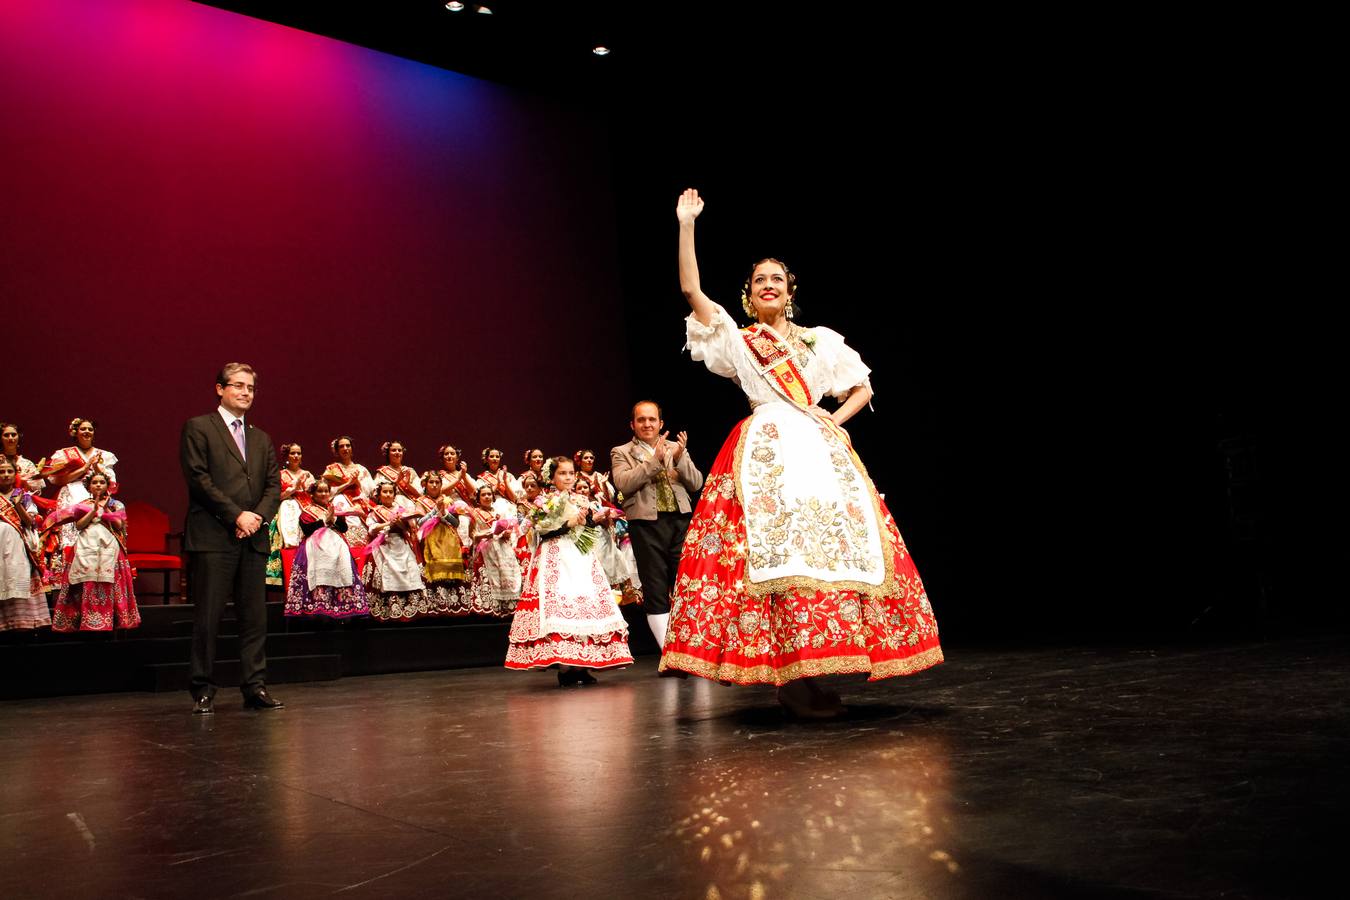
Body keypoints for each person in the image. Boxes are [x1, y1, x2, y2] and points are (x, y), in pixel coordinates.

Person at [658, 188, 942, 718]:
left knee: (827, 551)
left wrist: (832, 420)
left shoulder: (820, 341)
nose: (769, 286)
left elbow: (863, 387)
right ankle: (788, 678)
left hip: (819, 452)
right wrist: (686, 224)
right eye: (759, 280)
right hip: (767, 453)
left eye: (777, 280)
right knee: (776, 554)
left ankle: (813, 670)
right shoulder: (739, 341)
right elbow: (691, 287)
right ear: (749, 296)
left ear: (790, 292)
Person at [180, 363, 283, 714]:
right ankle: (203, 688)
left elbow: (273, 486)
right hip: (213, 536)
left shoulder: (261, 438)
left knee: (254, 619)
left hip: (252, 538)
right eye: (238, 386)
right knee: (208, 617)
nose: (245, 392)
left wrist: (255, 518)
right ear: (219, 388)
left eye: (251, 388)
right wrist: (236, 515)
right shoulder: (198, 427)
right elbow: (199, 479)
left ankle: (255, 686)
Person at [506, 456, 633, 683]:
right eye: (562, 473)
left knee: (583, 604)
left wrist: (594, 519)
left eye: (571, 473)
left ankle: (581, 665)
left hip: (581, 557)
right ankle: (565, 667)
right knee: (559, 606)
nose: (568, 477)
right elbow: (543, 531)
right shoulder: (543, 502)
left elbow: (588, 529)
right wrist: (568, 524)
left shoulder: (582, 500)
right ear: (552, 477)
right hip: (555, 556)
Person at [611, 401, 703, 650]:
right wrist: (655, 461)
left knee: (688, 585)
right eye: (641, 420)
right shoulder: (622, 452)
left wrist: (680, 457)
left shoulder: (675, 447)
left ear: (661, 423)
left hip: (680, 522)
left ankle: (695, 648)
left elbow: (696, 483)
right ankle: (668, 652)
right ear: (633, 424)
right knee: (655, 587)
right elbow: (624, 483)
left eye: (652, 419)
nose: (647, 424)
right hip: (646, 525)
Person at [49, 472, 140, 631]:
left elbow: (119, 525)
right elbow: (79, 526)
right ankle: (85, 618)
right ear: (89, 486)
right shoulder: (83, 504)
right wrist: (92, 511)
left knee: (110, 582)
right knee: (87, 582)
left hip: (110, 546)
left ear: (107, 485)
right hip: (87, 545)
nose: (98, 485)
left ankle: (112, 619)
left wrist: (105, 510)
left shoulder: (116, 504)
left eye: (102, 482)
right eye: (95, 483)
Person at [40, 417, 117, 583]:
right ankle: (67, 579)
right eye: (83, 429)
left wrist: (95, 468)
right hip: (71, 496)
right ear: (75, 432)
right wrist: (84, 468)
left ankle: (95, 577)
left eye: (90, 429)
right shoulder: (64, 454)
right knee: (70, 536)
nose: (87, 432)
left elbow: (111, 484)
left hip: (96, 497)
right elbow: (57, 480)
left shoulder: (104, 455)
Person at [284, 479, 368, 618]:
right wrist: (324, 521)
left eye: (326, 491)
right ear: (313, 494)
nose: (324, 494)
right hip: (315, 549)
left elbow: (343, 528)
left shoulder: (334, 509)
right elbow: (307, 529)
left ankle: (341, 610)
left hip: (337, 548)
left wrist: (335, 518)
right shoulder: (307, 511)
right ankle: (318, 611)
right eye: (320, 491)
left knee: (342, 572)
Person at [362, 480, 429, 620]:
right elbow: (372, 528)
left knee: (409, 572)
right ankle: (388, 609)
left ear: (394, 494)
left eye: (390, 492)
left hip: (401, 544)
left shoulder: (401, 510)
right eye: (384, 492)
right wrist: (388, 523)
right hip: (384, 545)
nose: (387, 494)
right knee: (387, 574)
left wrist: (402, 523)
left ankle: (410, 609)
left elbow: (410, 528)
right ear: (379, 495)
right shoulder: (375, 512)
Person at [0, 458, 50, 631]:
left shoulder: (24, 496)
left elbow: (30, 523)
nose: (6, 475)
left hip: (19, 548)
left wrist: (18, 505)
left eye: (9, 471)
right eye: (2, 471)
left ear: (16, 474)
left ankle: (23, 624)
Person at [266, 442, 313, 587]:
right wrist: (294, 488)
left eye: (298, 453)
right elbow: (277, 497)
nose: (296, 456)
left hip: (306, 510)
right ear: (287, 456)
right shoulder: (281, 475)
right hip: (287, 509)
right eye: (293, 453)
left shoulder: (308, 474)